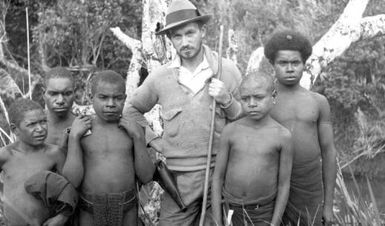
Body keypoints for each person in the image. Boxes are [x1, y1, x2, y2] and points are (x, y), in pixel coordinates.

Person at [125, 0, 243, 225]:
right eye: (177, 36)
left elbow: (246, 120)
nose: (185, 42)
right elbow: (131, 110)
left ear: (203, 31)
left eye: (190, 33)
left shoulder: (226, 70)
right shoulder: (161, 77)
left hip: (221, 174)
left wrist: (227, 100)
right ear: (170, 40)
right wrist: (155, 141)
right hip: (179, 179)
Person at [62, 70, 155, 226]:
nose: (111, 104)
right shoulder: (80, 129)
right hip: (88, 209)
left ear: (125, 99)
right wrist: (74, 138)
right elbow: (72, 180)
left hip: (127, 209)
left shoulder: (134, 129)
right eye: (103, 97)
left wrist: (138, 137)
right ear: (91, 98)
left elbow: (146, 177)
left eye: (117, 98)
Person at [264, 30, 337, 226]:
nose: (290, 68)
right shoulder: (263, 102)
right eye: (283, 63)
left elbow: (329, 152)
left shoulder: (318, 102)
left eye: (295, 63)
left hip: (309, 187)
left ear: (304, 64)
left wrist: (328, 204)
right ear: (273, 64)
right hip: (271, 182)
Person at [212, 71, 293, 226]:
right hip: (230, 210)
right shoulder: (231, 131)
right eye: (245, 99)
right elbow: (217, 178)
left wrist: (274, 223)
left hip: (262, 213)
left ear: (274, 96)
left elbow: (284, 185)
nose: (252, 103)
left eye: (258, 97)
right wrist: (217, 220)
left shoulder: (282, 136)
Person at [0, 98, 77, 226]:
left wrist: (61, 217)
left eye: (43, 122)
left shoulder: (54, 154)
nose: (40, 129)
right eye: (31, 124)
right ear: (14, 129)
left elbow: (70, 189)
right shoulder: (5, 155)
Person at [43, 67, 76, 146]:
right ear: (43, 94)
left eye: (67, 93)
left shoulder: (84, 126)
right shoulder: (32, 127)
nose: (60, 101)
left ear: (74, 93)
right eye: (53, 94)